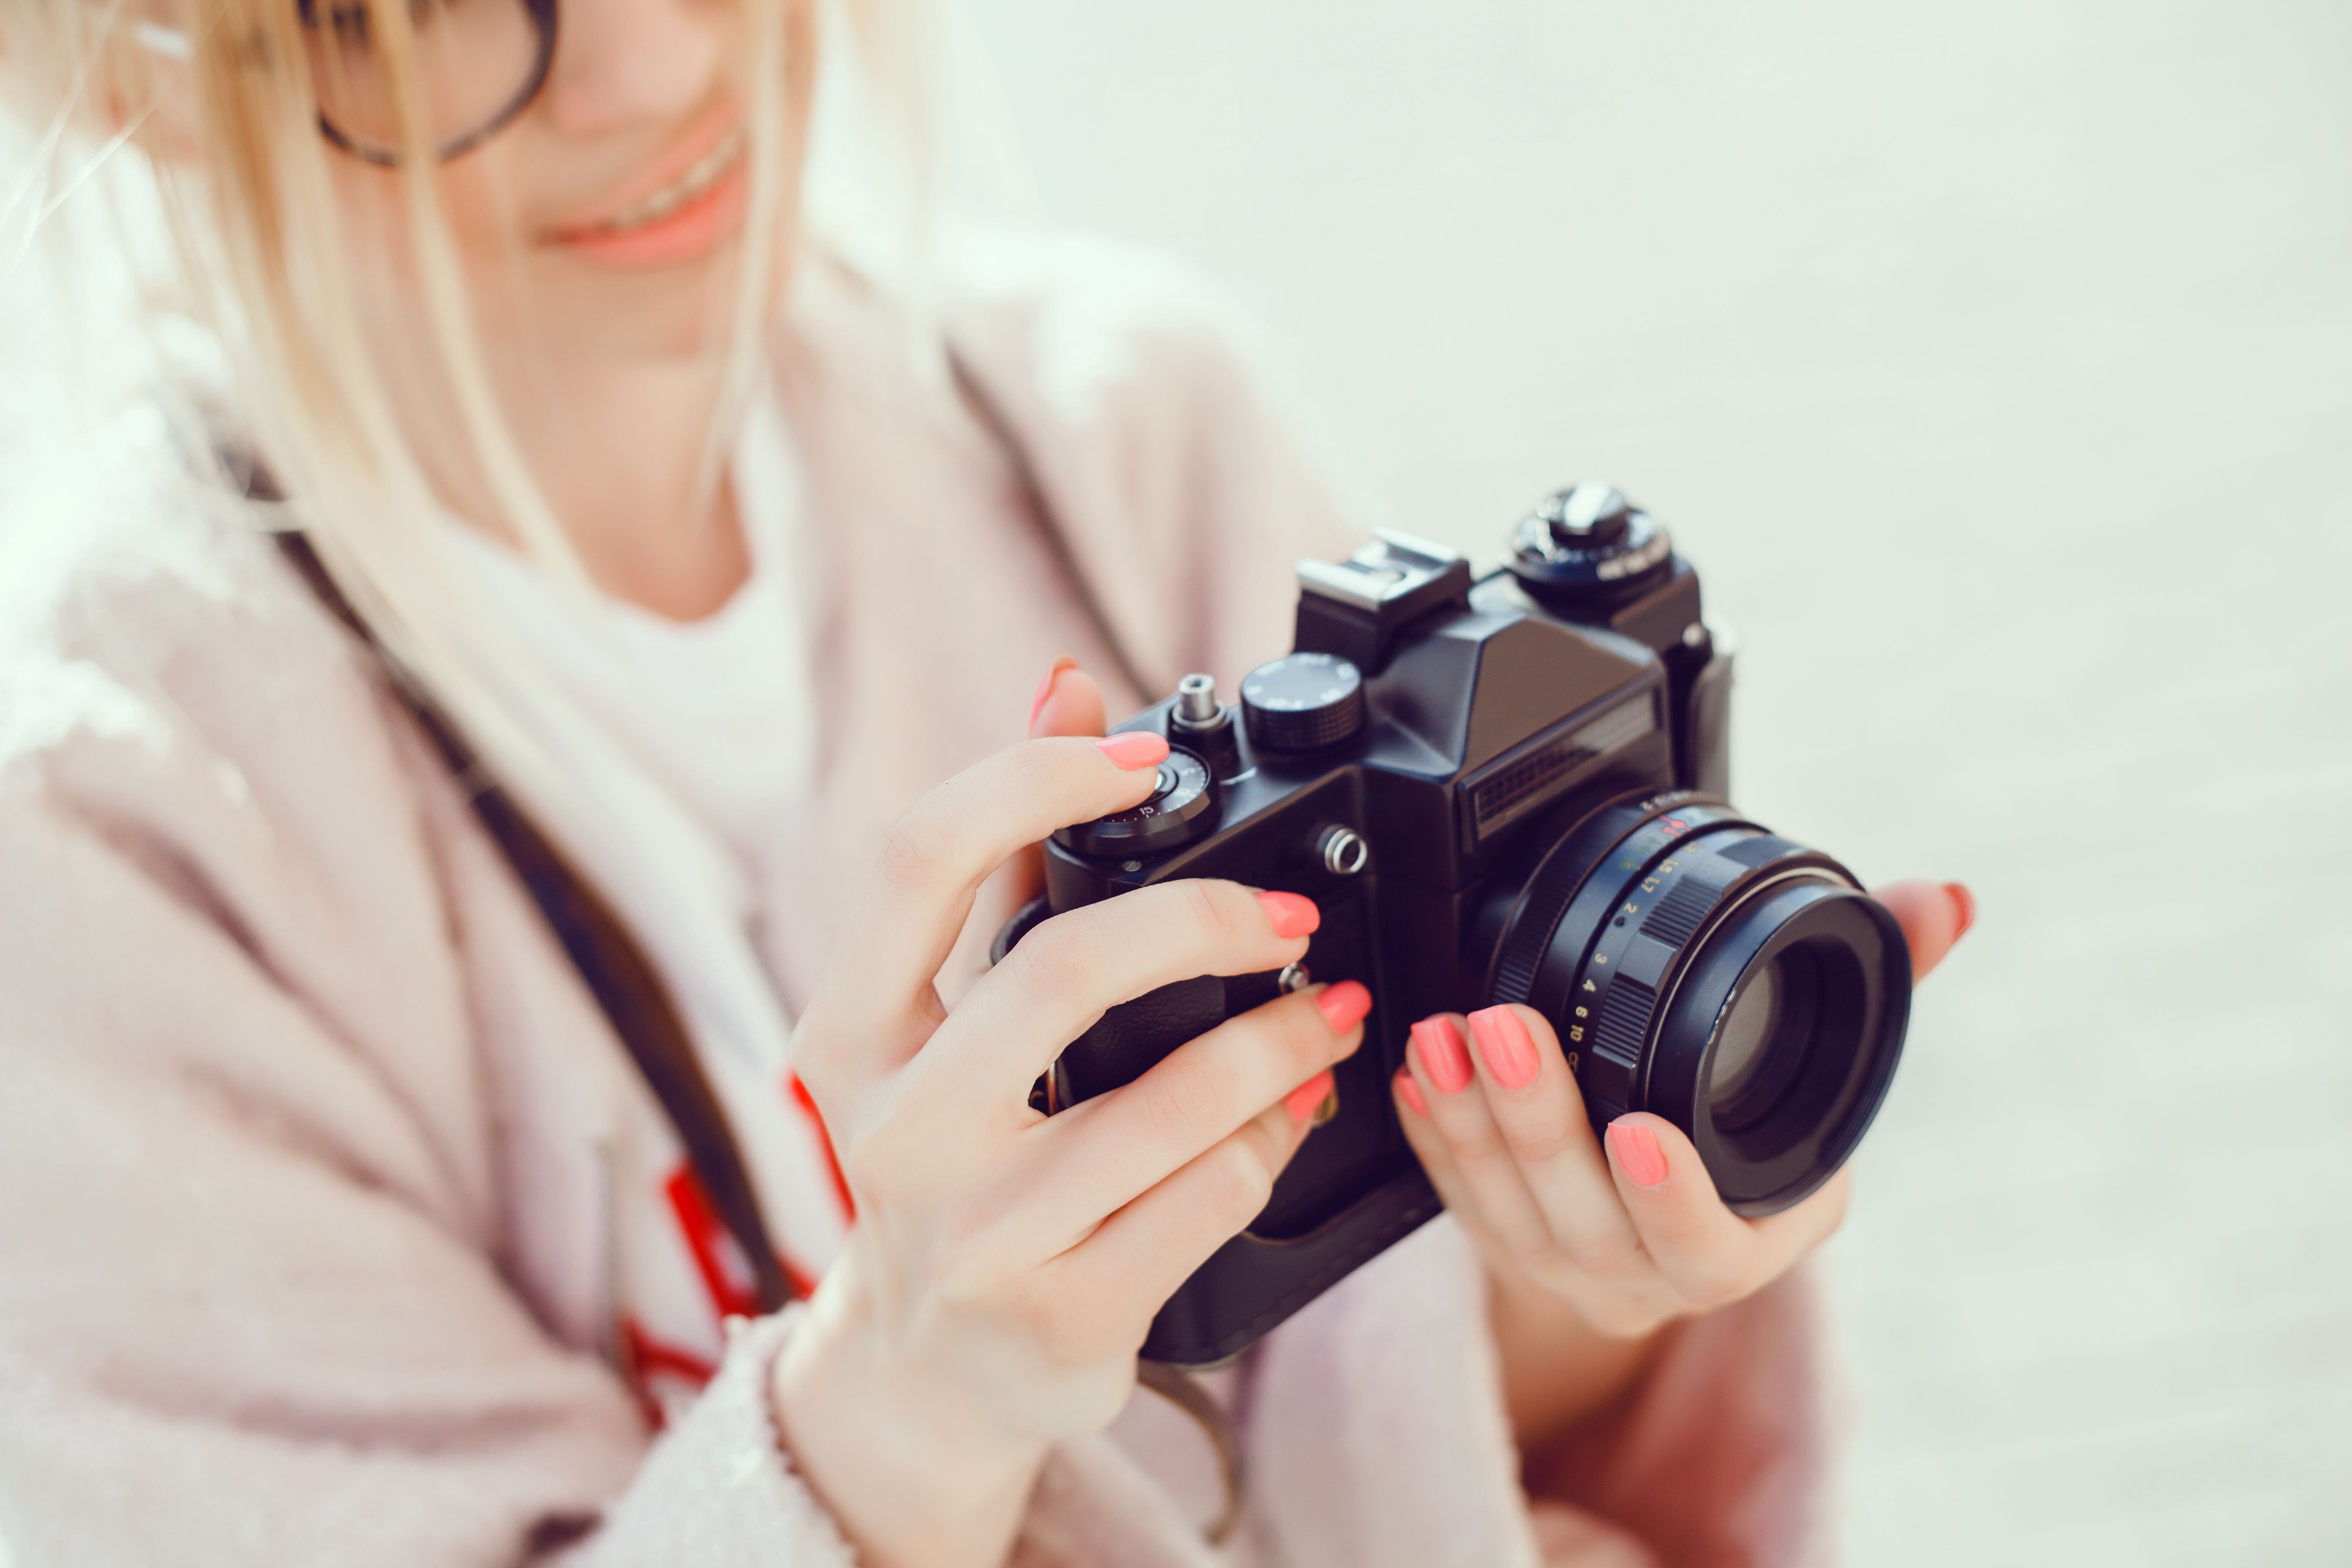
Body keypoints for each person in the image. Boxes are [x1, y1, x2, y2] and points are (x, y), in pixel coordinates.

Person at [0, 0, 1974, 1563]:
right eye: (418, 3)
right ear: (139, 62)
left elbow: (1480, 1425)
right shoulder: (107, 853)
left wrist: (1579, 1259)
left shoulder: (1124, 434)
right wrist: (891, 1413)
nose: (649, 59)